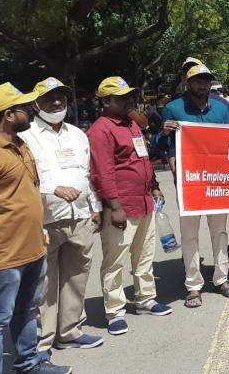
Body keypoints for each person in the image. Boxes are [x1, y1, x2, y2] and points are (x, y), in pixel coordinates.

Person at [0, 83, 73, 374]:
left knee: (27, 311)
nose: (30, 110)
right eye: (23, 108)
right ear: (8, 115)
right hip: (3, 256)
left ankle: (29, 364)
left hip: (33, 248)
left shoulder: (21, 144)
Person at [19, 78, 104, 356]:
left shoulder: (78, 134)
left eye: (61, 98)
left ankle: (70, 331)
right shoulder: (25, 136)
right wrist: (53, 189)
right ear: (35, 104)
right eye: (49, 98)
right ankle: (42, 342)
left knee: (77, 277)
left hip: (79, 216)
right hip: (45, 219)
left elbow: (86, 174)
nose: (56, 103)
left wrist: (95, 207)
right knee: (43, 284)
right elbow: (24, 179)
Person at [87, 77, 172, 336]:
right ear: (105, 101)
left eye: (129, 96)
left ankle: (145, 298)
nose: (128, 101)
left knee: (145, 255)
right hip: (121, 205)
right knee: (115, 260)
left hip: (144, 200)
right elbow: (102, 172)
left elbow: (143, 158)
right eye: (121, 97)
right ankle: (114, 311)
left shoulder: (132, 123)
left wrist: (154, 184)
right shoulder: (100, 130)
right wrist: (114, 206)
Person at [159, 64, 229, 308]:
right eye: (197, 80)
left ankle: (222, 279)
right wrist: (162, 134)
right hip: (189, 183)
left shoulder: (223, 108)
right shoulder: (173, 108)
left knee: (220, 232)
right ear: (187, 82)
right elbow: (163, 146)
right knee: (190, 235)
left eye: (206, 80)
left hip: (218, 182)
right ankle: (193, 286)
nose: (202, 85)